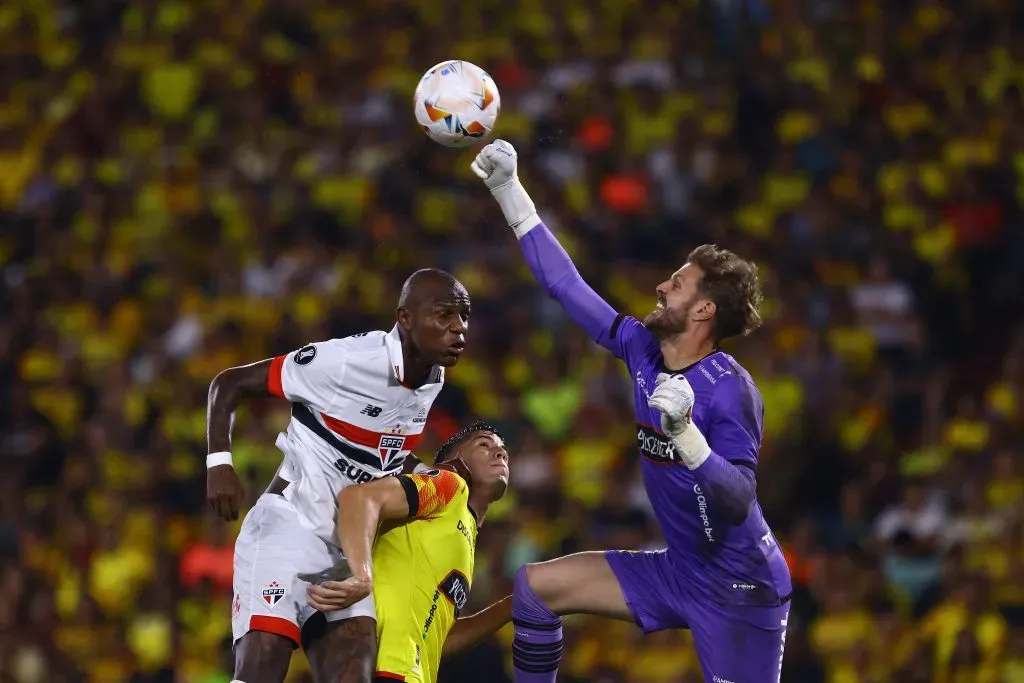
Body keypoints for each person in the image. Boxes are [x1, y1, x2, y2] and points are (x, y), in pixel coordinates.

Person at [470, 140, 793, 682]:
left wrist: (687, 436)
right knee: (534, 588)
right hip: (679, 570)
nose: (662, 287)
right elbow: (565, 286)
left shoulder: (729, 390)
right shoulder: (642, 348)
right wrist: (509, 191)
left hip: (741, 586)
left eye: (678, 283)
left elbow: (739, 498)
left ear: (704, 310)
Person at [204, 269, 471, 683]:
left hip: (348, 552)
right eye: (444, 315)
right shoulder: (345, 362)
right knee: (261, 668)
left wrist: (424, 473)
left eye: (464, 316)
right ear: (405, 318)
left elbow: (383, 450)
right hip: (287, 531)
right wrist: (219, 462)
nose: (458, 328)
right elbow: (230, 382)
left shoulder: (432, 377)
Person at [305, 422, 515, 683]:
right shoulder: (450, 485)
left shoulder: (464, 532)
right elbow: (359, 498)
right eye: (485, 444)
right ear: (455, 459)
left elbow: (438, 639)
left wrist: (510, 607)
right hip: (383, 667)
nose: (500, 453)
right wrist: (362, 576)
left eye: (503, 450)